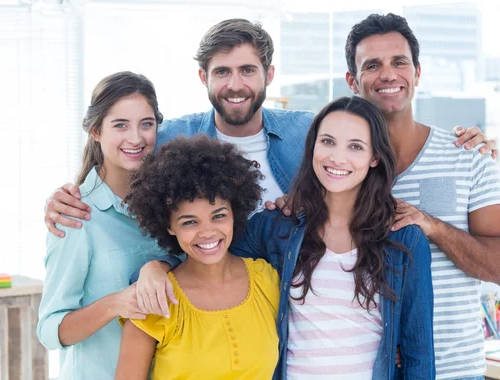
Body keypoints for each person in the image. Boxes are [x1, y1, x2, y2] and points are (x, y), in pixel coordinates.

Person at [43, 18, 494, 240]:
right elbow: (122, 154)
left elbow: (366, 145)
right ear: (204, 77)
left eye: (247, 71)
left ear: (269, 75)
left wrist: (474, 143)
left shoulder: (309, 132)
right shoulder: (173, 139)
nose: (235, 85)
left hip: (295, 306)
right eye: (222, 73)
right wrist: (70, 191)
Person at [137, 97, 435, 379]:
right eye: (327, 142)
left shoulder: (404, 239)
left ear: (374, 158)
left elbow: (418, 350)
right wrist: (157, 266)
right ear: (312, 147)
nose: (337, 157)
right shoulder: (276, 229)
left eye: (355, 146)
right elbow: (207, 251)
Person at [340, 13, 500, 380]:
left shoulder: (467, 156)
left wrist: (432, 226)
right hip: (363, 368)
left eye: (399, 62)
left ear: (417, 73)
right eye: (372, 65)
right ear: (352, 82)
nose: (388, 74)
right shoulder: (338, 168)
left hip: (454, 370)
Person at [36, 71, 179, 380]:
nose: (136, 138)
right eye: (120, 125)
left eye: (146, 124)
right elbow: (49, 330)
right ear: (96, 131)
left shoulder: (169, 205)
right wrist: (116, 303)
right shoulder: (76, 215)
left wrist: (160, 265)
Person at [114, 135, 280, 380]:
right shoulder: (154, 300)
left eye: (219, 216)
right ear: (168, 226)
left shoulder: (266, 279)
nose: (208, 232)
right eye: (190, 222)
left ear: (235, 213)